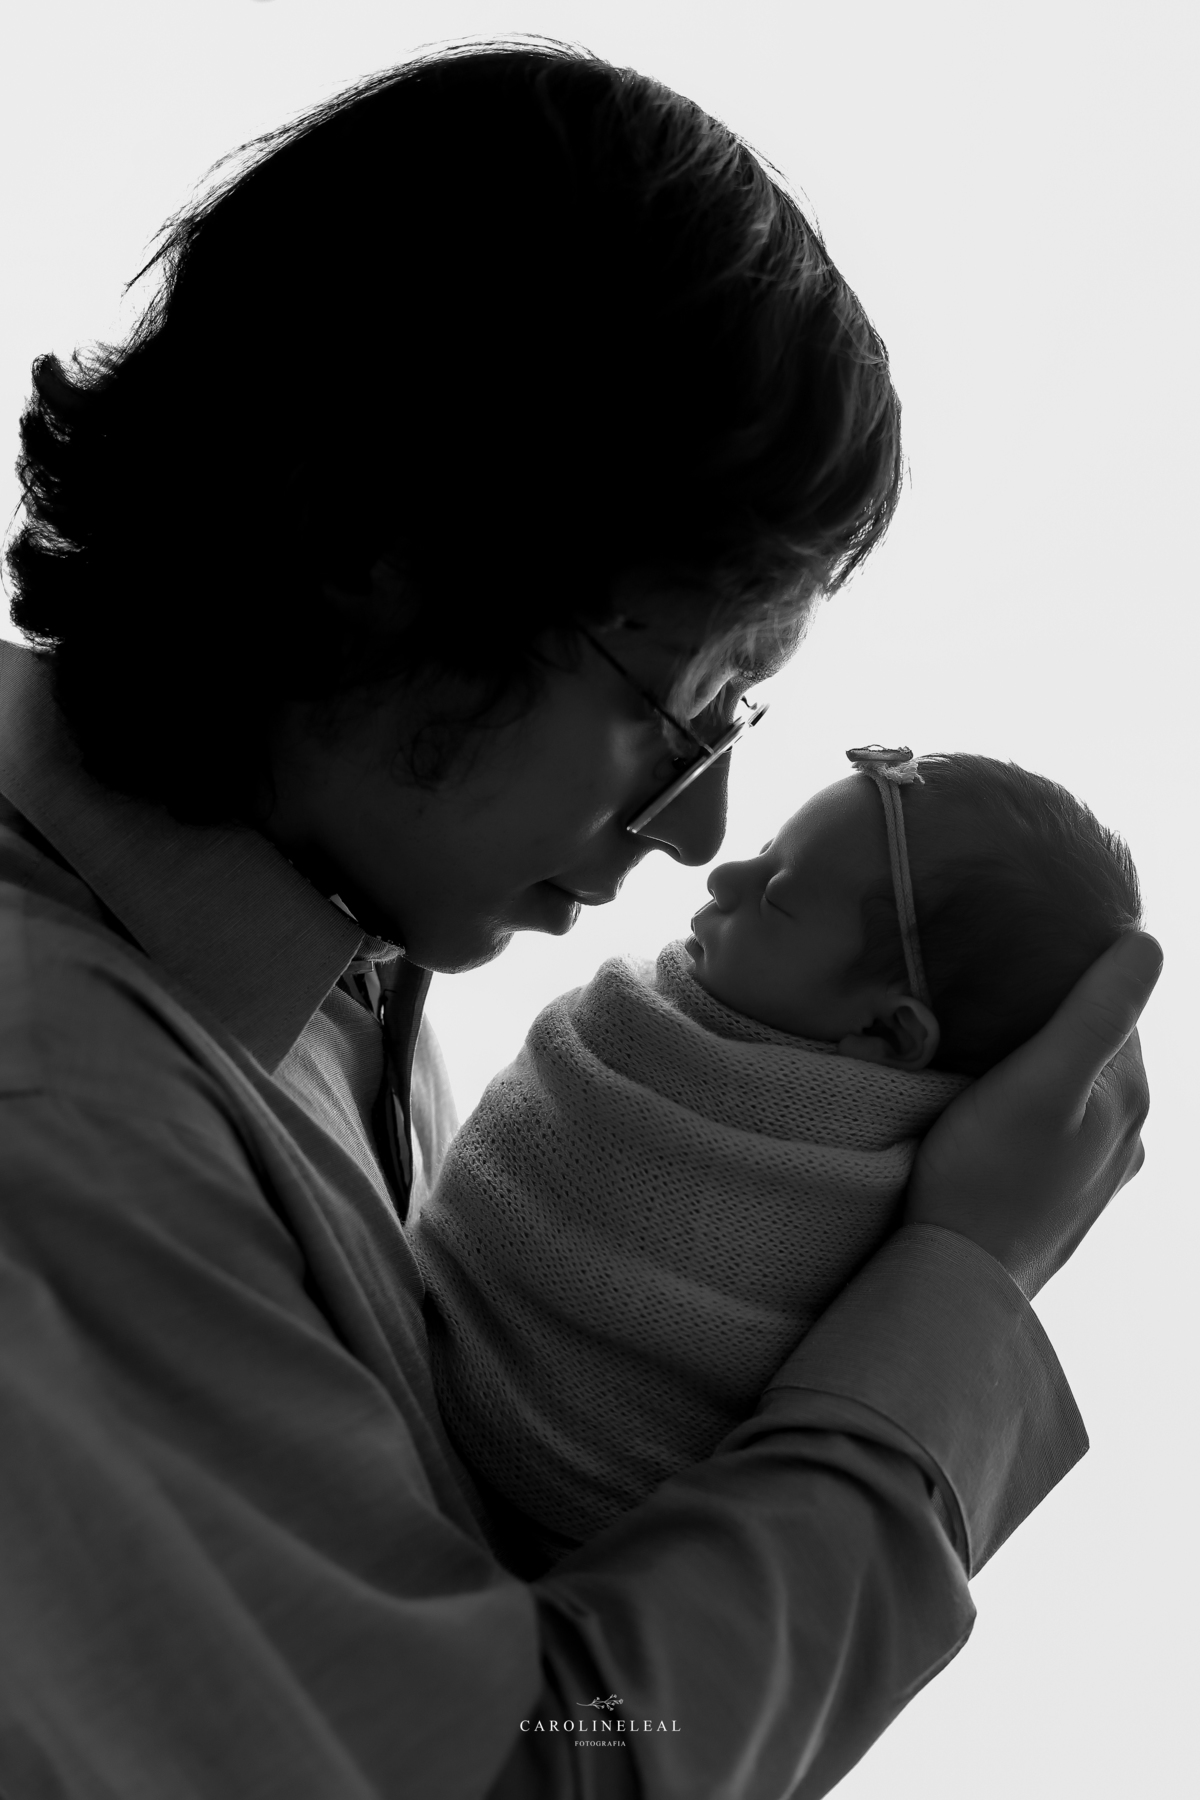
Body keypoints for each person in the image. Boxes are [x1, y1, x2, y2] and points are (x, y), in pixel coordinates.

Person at [0, 38, 1159, 1800]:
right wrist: (961, 1294)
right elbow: (527, 1768)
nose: (701, 832)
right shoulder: (62, 1136)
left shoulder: (323, 968)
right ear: (380, 552)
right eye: (681, 708)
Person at [412, 749, 1144, 1575]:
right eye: (764, 850)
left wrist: (972, 1259)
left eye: (778, 895)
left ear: (891, 1031)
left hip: (584, 1545)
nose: (724, 876)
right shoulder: (646, 1032)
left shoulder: (866, 1186)